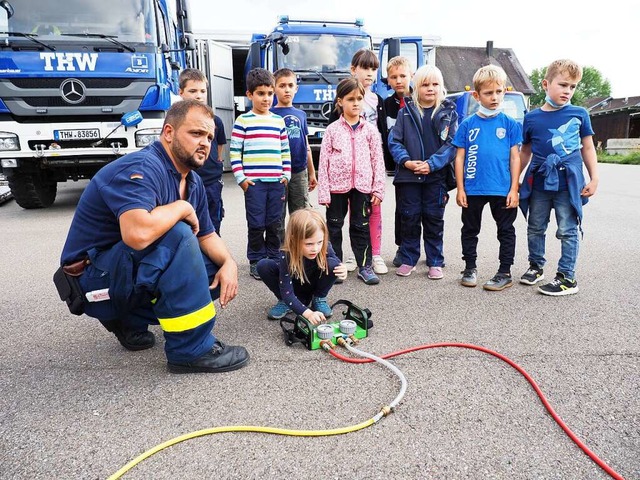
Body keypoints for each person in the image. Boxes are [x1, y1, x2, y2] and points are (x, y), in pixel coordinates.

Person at [56, 100, 249, 374]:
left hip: (118, 270)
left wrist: (229, 263)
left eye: (209, 136)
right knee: (179, 234)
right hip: (88, 281)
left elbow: (207, 236)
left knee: (211, 266)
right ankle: (190, 350)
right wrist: (182, 208)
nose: (205, 142)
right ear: (168, 133)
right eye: (196, 133)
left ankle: (127, 320)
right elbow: (137, 234)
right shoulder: (145, 167)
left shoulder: (191, 182)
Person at [519, 59, 599, 296]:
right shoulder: (531, 118)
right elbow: (525, 151)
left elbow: (588, 148)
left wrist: (594, 178)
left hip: (568, 183)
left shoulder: (579, 114)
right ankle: (536, 266)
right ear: (545, 84)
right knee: (535, 226)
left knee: (567, 229)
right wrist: (515, 181)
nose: (568, 91)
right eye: (563, 84)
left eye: (573, 87)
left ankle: (567, 277)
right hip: (540, 182)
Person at [452, 65, 521, 290]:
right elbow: (460, 158)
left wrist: (514, 189)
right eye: (488, 93)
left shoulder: (510, 125)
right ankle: (470, 267)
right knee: (470, 229)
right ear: (476, 95)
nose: (494, 97)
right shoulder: (468, 124)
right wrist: (461, 188)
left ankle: (504, 272)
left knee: (506, 231)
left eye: (499, 92)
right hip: (473, 188)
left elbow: (514, 158)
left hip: (502, 189)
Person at [388, 64, 458, 279]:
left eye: (435, 84)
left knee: (433, 219)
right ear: (416, 87)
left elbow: (452, 145)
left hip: (436, 178)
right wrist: (406, 161)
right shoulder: (405, 113)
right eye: (425, 84)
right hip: (409, 177)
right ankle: (409, 258)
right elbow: (394, 141)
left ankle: (435, 260)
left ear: (442, 87)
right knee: (409, 218)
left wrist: (432, 164)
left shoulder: (449, 114)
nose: (430, 88)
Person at [318, 77, 385, 285]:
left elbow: (378, 160)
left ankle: (364, 266)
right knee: (334, 227)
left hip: (363, 187)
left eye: (359, 99)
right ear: (340, 101)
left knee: (361, 226)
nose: (355, 103)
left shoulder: (370, 131)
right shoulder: (332, 130)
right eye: (350, 99)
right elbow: (323, 161)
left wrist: (378, 189)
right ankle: (335, 266)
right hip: (337, 188)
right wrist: (324, 191)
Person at [329, 49, 389, 275]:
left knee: (370, 214)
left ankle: (373, 255)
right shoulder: (342, 100)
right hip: (344, 175)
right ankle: (348, 258)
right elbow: (331, 139)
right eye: (365, 68)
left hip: (368, 170)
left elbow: (382, 132)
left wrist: (379, 178)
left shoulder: (378, 101)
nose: (370, 73)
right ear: (353, 70)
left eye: (374, 69)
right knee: (343, 216)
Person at [230, 68, 291, 280]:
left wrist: (286, 175)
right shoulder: (243, 121)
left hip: (277, 183)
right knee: (256, 224)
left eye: (269, 93)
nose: (266, 98)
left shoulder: (278, 121)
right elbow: (235, 151)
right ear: (249, 95)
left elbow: (285, 150)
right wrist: (242, 179)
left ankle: (274, 258)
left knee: (275, 223)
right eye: (260, 93)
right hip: (254, 184)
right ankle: (256, 259)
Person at [257, 209, 347, 323]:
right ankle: (285, 303)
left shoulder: (323, 246)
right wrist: (308, 314)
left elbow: (337, 262)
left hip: (312, 288)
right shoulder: (286, 254)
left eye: (319, 242)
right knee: (263, 265)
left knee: (334, 264)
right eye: (309, 244)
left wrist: (343, 269)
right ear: (294, 239)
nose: (315, 248)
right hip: (291, 290)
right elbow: (287, 292)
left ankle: (319, 298)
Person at [179, 68, 227, 235]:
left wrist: (216, 161)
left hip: (211, 182)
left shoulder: (216, 121)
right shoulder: (176, 121)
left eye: (202, 91)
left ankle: (213, 256)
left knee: (213, 219)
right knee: (187, 224)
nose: (198, 95)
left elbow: (220, 144)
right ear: (181, 92)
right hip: (186, 182)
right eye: (192, 91)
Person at [271, 68, 317, 217]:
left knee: (301, 214)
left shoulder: (301, 115)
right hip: (277, 173)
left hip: (298, 171)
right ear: (274, 88)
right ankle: (279, 242)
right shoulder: (270, 114)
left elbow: (306, 146)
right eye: (282, 85)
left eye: (290, 86)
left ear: (296, 88)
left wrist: (311, 172)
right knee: (277, 216)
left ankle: (298, 241)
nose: (287, 90)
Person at [383, 56, 413, 269]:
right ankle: (402, 247)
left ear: (411, 75)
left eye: (403, 75)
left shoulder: (420, 99)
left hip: (422, 162)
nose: (399, 80)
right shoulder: (386, 104)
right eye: (394, 77)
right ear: (388, 80)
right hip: (399, 165)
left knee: (427, 211)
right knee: (402, 208)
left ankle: (428, 249)